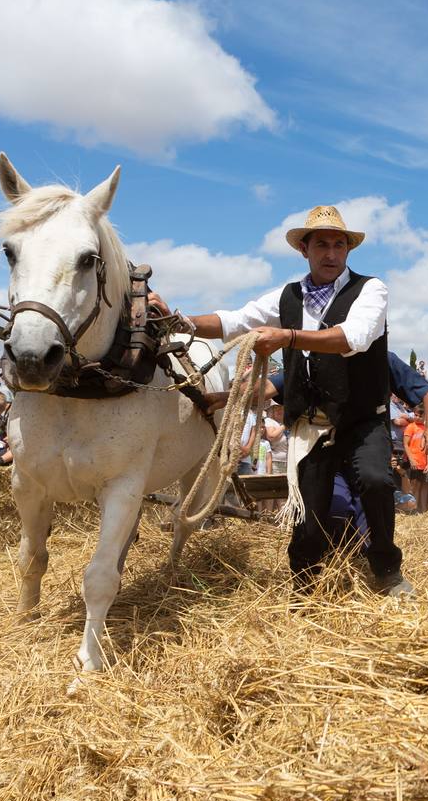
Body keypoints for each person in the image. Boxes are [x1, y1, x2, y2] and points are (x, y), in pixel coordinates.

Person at [149, 205, 411, 596]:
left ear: (348, 250)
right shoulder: (288, 297)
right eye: (321, 244)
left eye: (339, 244)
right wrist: (180, 322)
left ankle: (388, 570)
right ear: (304, 249)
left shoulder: (371, 290)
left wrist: (286, 337)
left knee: (376, 481)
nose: (331, 253)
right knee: (307, 516)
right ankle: (304, 589)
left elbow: (352, 337)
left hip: (362, 419)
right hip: (310, 424)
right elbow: (233, 321)